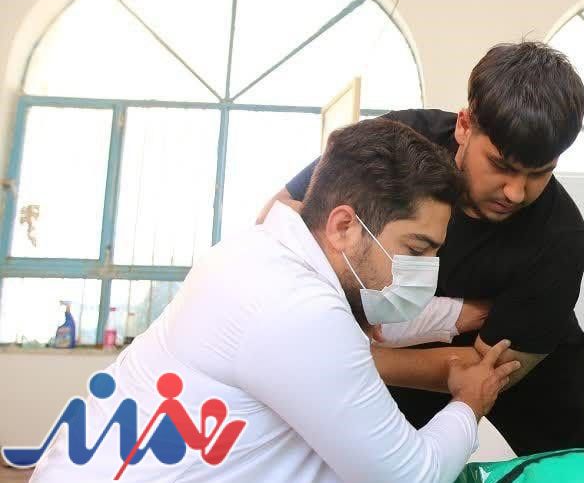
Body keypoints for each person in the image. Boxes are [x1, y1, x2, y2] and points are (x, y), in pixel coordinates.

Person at [30, 119, 518, 483]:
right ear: (345, 226)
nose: (426, 272)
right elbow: (410, 475)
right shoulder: (300, 311)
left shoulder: (260, 253)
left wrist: (461, 316)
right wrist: (469, 402)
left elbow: (373, 317)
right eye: (416, 250)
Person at [261, 41, 584, 455]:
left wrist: (350, 357)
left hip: (523, 369)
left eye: (539, 173)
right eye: (501, 165)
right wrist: (354, 351)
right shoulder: (399, 147)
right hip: (394, 352)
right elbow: (280, 220)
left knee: (562, 467)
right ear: (464, 126)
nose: (515, 191)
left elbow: (484, 369)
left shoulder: (560, 237)